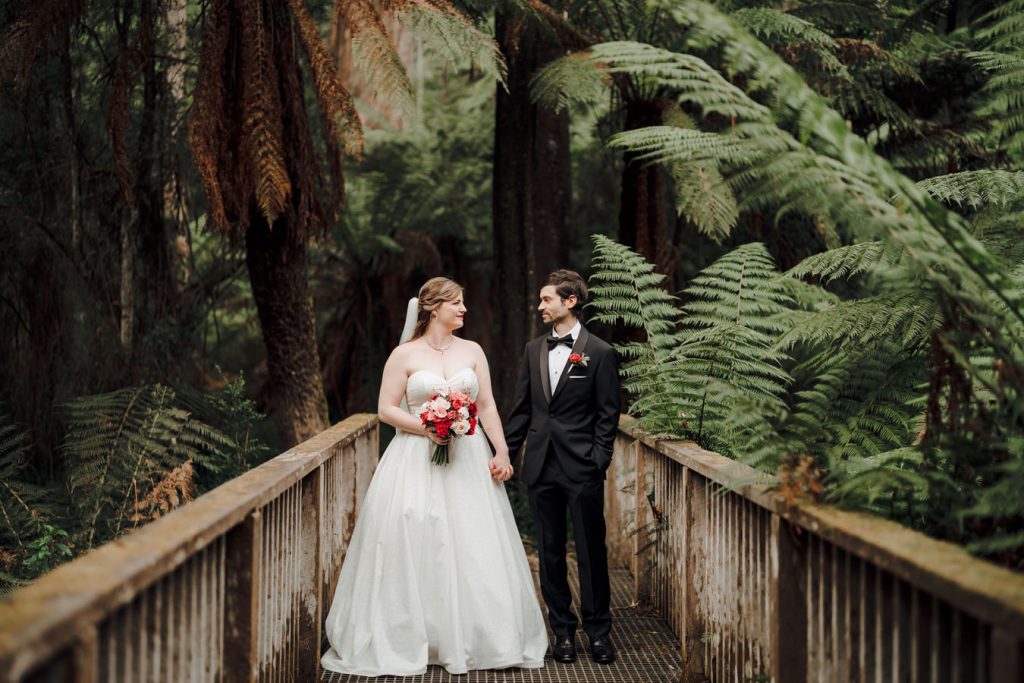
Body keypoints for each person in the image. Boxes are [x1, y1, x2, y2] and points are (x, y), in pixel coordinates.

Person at [320, 277, 547, 676]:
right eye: (456, 304)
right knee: (416, 534)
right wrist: (425, 426)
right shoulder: (404, 355)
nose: (464, 310)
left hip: (467, 457)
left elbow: (488, 404)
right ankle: (412, 635)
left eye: (463, 303)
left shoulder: (473, 351)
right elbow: (386, 409)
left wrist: (502, 449)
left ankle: (477, 637)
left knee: (472, 540)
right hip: (414, 456)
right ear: (433, 309)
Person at [503, 269, 621, 665]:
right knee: (550, 553)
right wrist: (503, 453)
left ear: (570, 301)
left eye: (546, 299)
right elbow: (521, 410)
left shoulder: (600, 352)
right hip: (539, 467)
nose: (540, 306)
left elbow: (608, 415)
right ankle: (563, 633)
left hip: (581, 467)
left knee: (591, 552)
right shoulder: (533, 350)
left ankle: (599, 633)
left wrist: (598, 461)